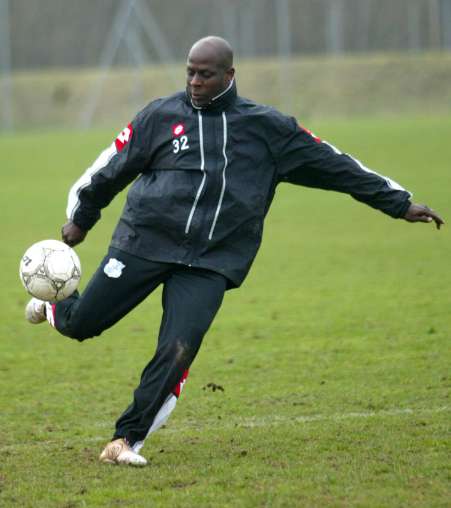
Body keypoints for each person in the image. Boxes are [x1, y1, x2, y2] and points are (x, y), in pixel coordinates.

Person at [25, 36, 444, 466]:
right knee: (82, 325)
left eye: (205, 74)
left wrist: (399, 203)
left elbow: (336, 165)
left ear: (229, 75)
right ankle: (54, 306)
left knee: (178, 349)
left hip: (211, 261)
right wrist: (82, 218)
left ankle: (125, 440)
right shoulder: (159, 116)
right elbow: (110, 168)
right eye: (190, 71)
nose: (194, 81)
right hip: (144, 241)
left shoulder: (268, 129)